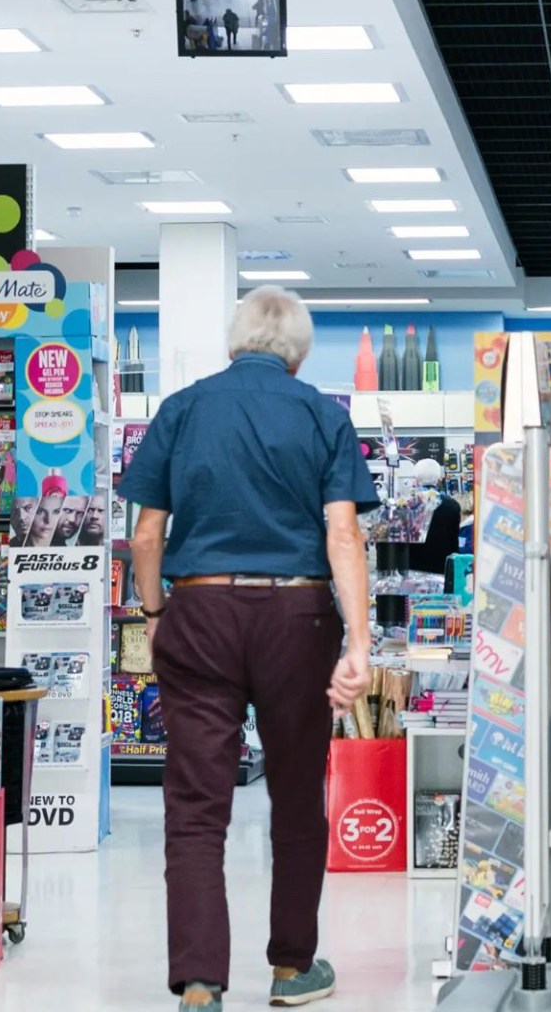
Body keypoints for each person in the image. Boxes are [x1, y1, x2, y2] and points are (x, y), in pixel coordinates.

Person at [118, 286, 380, 1010]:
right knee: (297, 795)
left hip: (198, 606)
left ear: (234, 343)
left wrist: (156, 612)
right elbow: (342, 535)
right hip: (298, 615)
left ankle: (200, 982)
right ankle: (293, 969)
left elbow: (145, 535)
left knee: (197, 802)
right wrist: (358, 643)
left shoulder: (181, 409)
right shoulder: (326, 415)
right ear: (298, 353)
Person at [407, 458, 463, 585]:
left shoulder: (407, 505)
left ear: (415, 478)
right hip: (442, 569)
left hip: (413, 569)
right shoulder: (452, 505)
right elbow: (454, 541)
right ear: (439, 479)